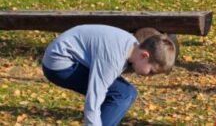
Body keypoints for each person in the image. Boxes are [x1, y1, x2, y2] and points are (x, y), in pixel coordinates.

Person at [41, 24, 175, 126]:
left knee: (128, 93)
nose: (150, 77)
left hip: (68, 59)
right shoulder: (112, 58)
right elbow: (93, 100)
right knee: (122, 94)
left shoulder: (130, 45)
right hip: (59, 64)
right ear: (144, 55)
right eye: (151, 72)